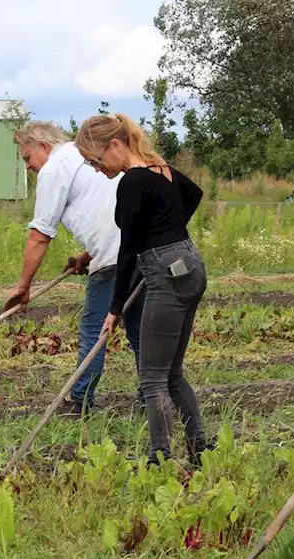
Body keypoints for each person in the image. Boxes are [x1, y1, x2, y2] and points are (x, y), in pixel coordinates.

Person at [74, 113, 211, 467]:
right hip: (191, 265)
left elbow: (128, 250)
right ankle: (199, 447)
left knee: (152, 378)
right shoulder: (161, 169)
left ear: (115, 145)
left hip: (166, 274)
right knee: (173, 372)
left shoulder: (132, 181)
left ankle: (159, 459)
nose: (96, 167)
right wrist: (168, 228)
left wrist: (114, 308)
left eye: (97, 159)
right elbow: (193, 194)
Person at [5, 121, 144, 413]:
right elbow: (107, 213)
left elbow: (40, 235)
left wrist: (23, 287)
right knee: (140, 332)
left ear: (43, 147)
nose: (28, 166)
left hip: (113, 261)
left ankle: (79, 400)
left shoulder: (54, 168)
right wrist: (87, 256)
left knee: (95, 330)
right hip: (140, 251)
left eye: (27, 157)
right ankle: (154, 396)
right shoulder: (85, 155)